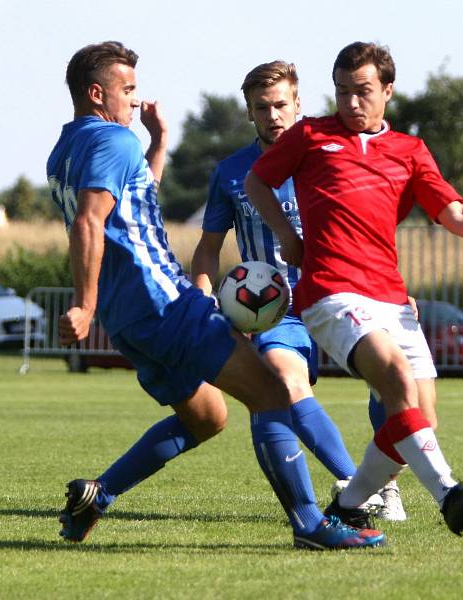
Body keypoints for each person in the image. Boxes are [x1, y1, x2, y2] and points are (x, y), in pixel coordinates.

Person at [46, 41, 385, 550]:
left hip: (130, 321)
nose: (136, 101)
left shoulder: (66, 150)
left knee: (207, 417)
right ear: (98, 93)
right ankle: (312, 525)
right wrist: (83, 303)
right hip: (163, 303)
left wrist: (158, 143)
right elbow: (90, 222)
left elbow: (131, 201)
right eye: (128, 90)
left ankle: (99, 494)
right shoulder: (113, 142)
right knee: (271, 392)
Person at [245, 41, 463, 536]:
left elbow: (454, 214)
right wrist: (287, 236)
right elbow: (257, 182)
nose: (350, 103)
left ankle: (345, 507)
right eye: (341, 92)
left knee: (418, 418)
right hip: (331, 292)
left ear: (387, 90)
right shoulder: (310, 135)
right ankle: (450, 494)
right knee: (394, 378)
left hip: (390, 296)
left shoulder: (409, 151)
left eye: (362, 91)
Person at [191, 60, 402, 524]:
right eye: (262, 107)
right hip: (276, 311)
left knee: (389, 386)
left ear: (299, 103)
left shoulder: (332, 153)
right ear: (249, 112)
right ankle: (357, 485)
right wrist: (204, 293)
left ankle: (389, 483)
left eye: (281, 104)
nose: (273, 115)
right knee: (287, 385)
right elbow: (207, 250)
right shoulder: (232, 172)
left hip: (344, 296)